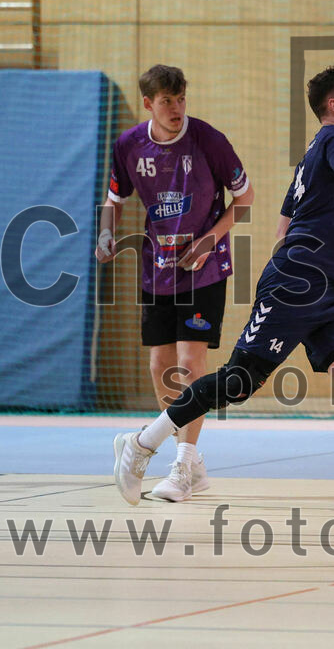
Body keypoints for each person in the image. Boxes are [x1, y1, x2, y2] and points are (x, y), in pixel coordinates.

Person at [112, 61, 334, 534]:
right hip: (300, 284)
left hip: (331, 291)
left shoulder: (311, 156)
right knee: (239, 381)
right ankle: (142, 444)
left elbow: (282, 227)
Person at [96, 64, 254, 502]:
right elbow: (114, 200)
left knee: (189, 362)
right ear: (149, 103)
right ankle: (192, 463)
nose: (177, 108)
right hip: (157, 267)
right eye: (167, 101)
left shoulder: (209, 140)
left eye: (181, 98)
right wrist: (106, 233)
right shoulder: (129, 145)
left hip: (204, 266)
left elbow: (245, 198)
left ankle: (183, 462)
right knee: (159, 366)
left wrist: (208, 241)